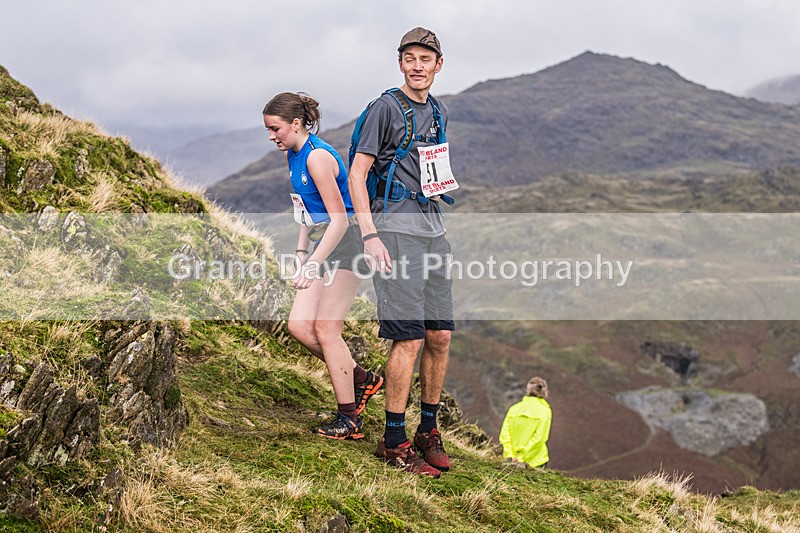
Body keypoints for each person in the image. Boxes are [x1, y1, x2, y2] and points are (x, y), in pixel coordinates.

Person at [349, 27, 457, 477]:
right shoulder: (384, 109)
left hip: (433, 232)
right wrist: (370, 236)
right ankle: (393, 441)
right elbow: (358, 175)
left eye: (425, 58)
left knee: (439, 335)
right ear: (400, 64)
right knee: (408, 337)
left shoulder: (438, 111)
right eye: (409, 57)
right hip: (393, 233)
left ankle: (426, 431)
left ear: (438, 65)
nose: (417, 65)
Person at [263, 92, 383, 440]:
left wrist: (313, 264)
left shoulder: (316, 158)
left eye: (275, 129)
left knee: (327, 330)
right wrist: (301, 253)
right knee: (300, 327)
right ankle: (360, 378)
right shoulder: (293, 153)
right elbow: (304, 208)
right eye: (268, 130)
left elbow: (340, 221)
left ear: (296, 124)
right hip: (324, 243)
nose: (272, 136)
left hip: (349, 243)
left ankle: (349, 420)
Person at [499, 377, 552, 468]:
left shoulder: (514, 409)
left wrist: (510, 455)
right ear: (545, 391)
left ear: (528, 390)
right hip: (536, 461)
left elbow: (505, 436)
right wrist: (522, 458)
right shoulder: (545, 411)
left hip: (511, 460)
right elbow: (539, 439)